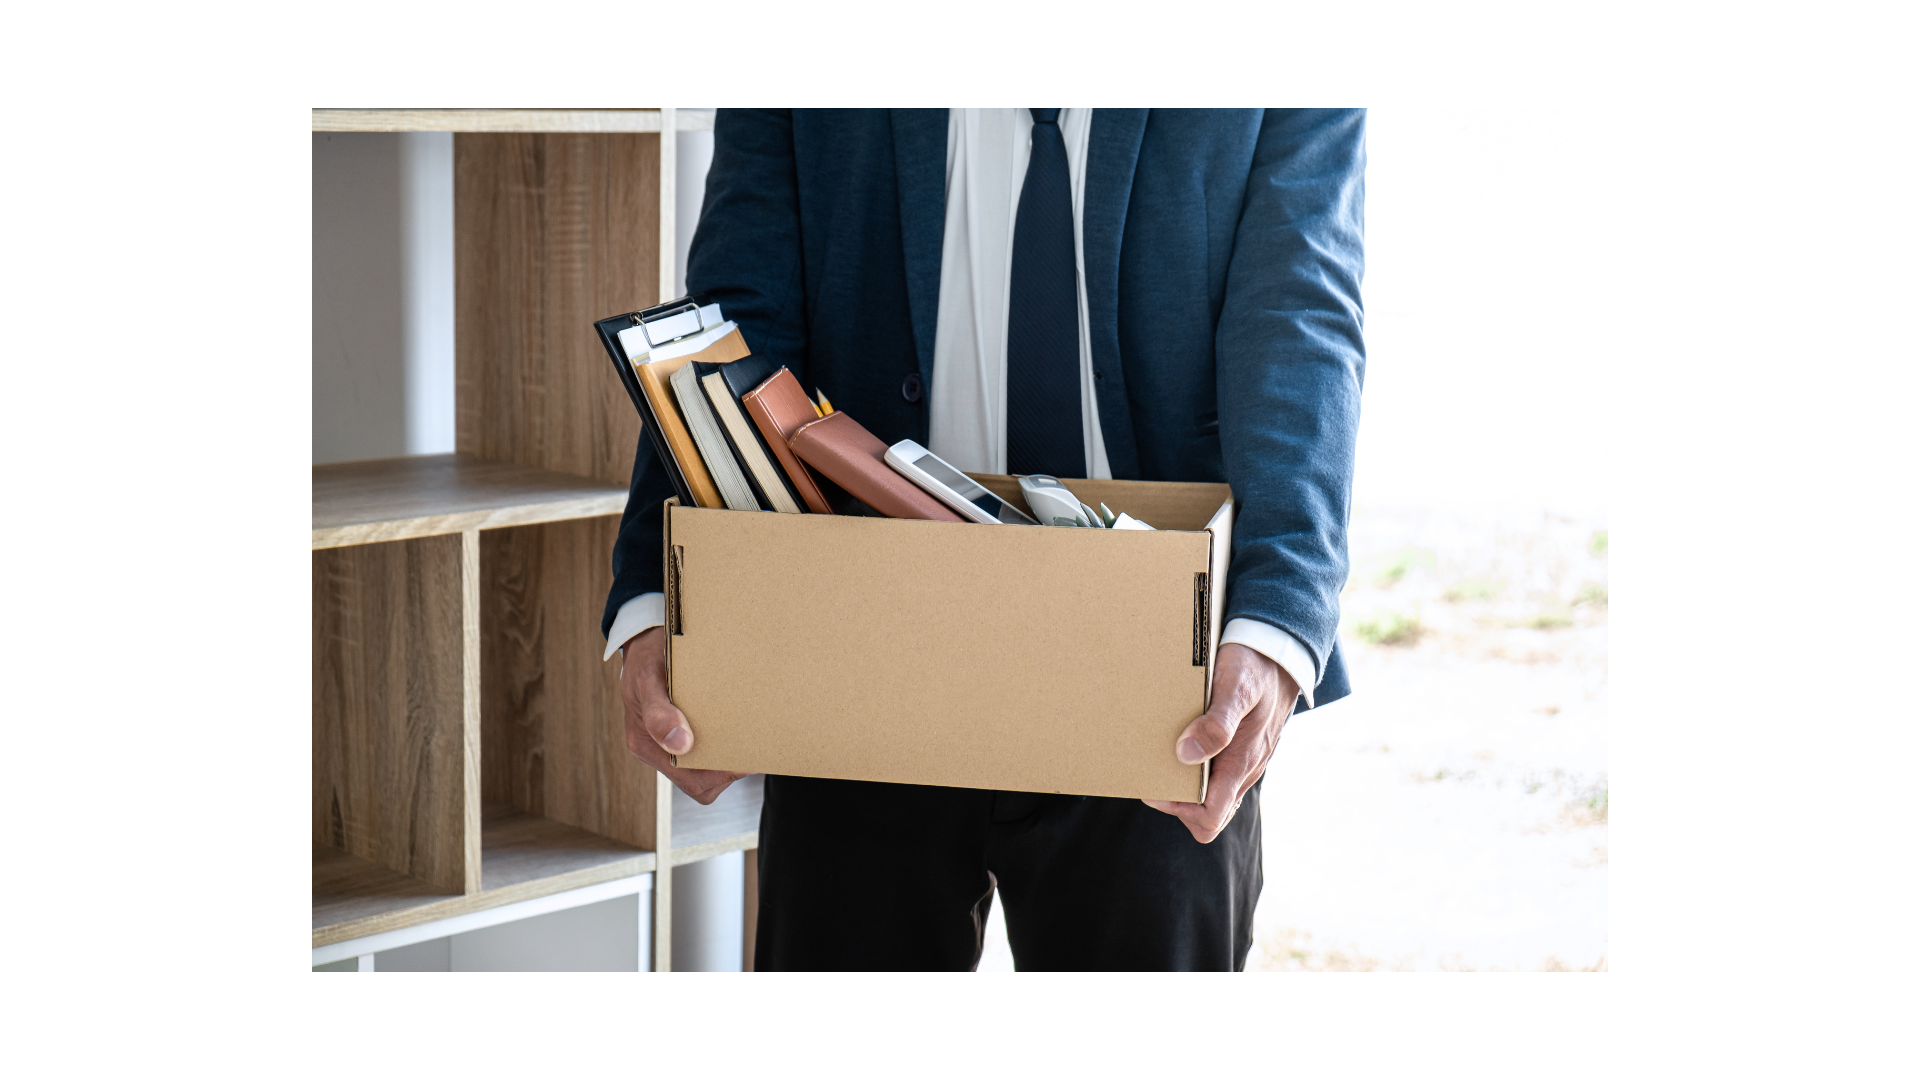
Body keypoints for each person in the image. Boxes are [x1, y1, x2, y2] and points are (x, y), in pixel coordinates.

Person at [603, 109, 1365, 971]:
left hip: (1157, 658)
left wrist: (1276, 625)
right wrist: (656, 596)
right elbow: (733, 323)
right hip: (856, 640)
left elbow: (1300, 319)